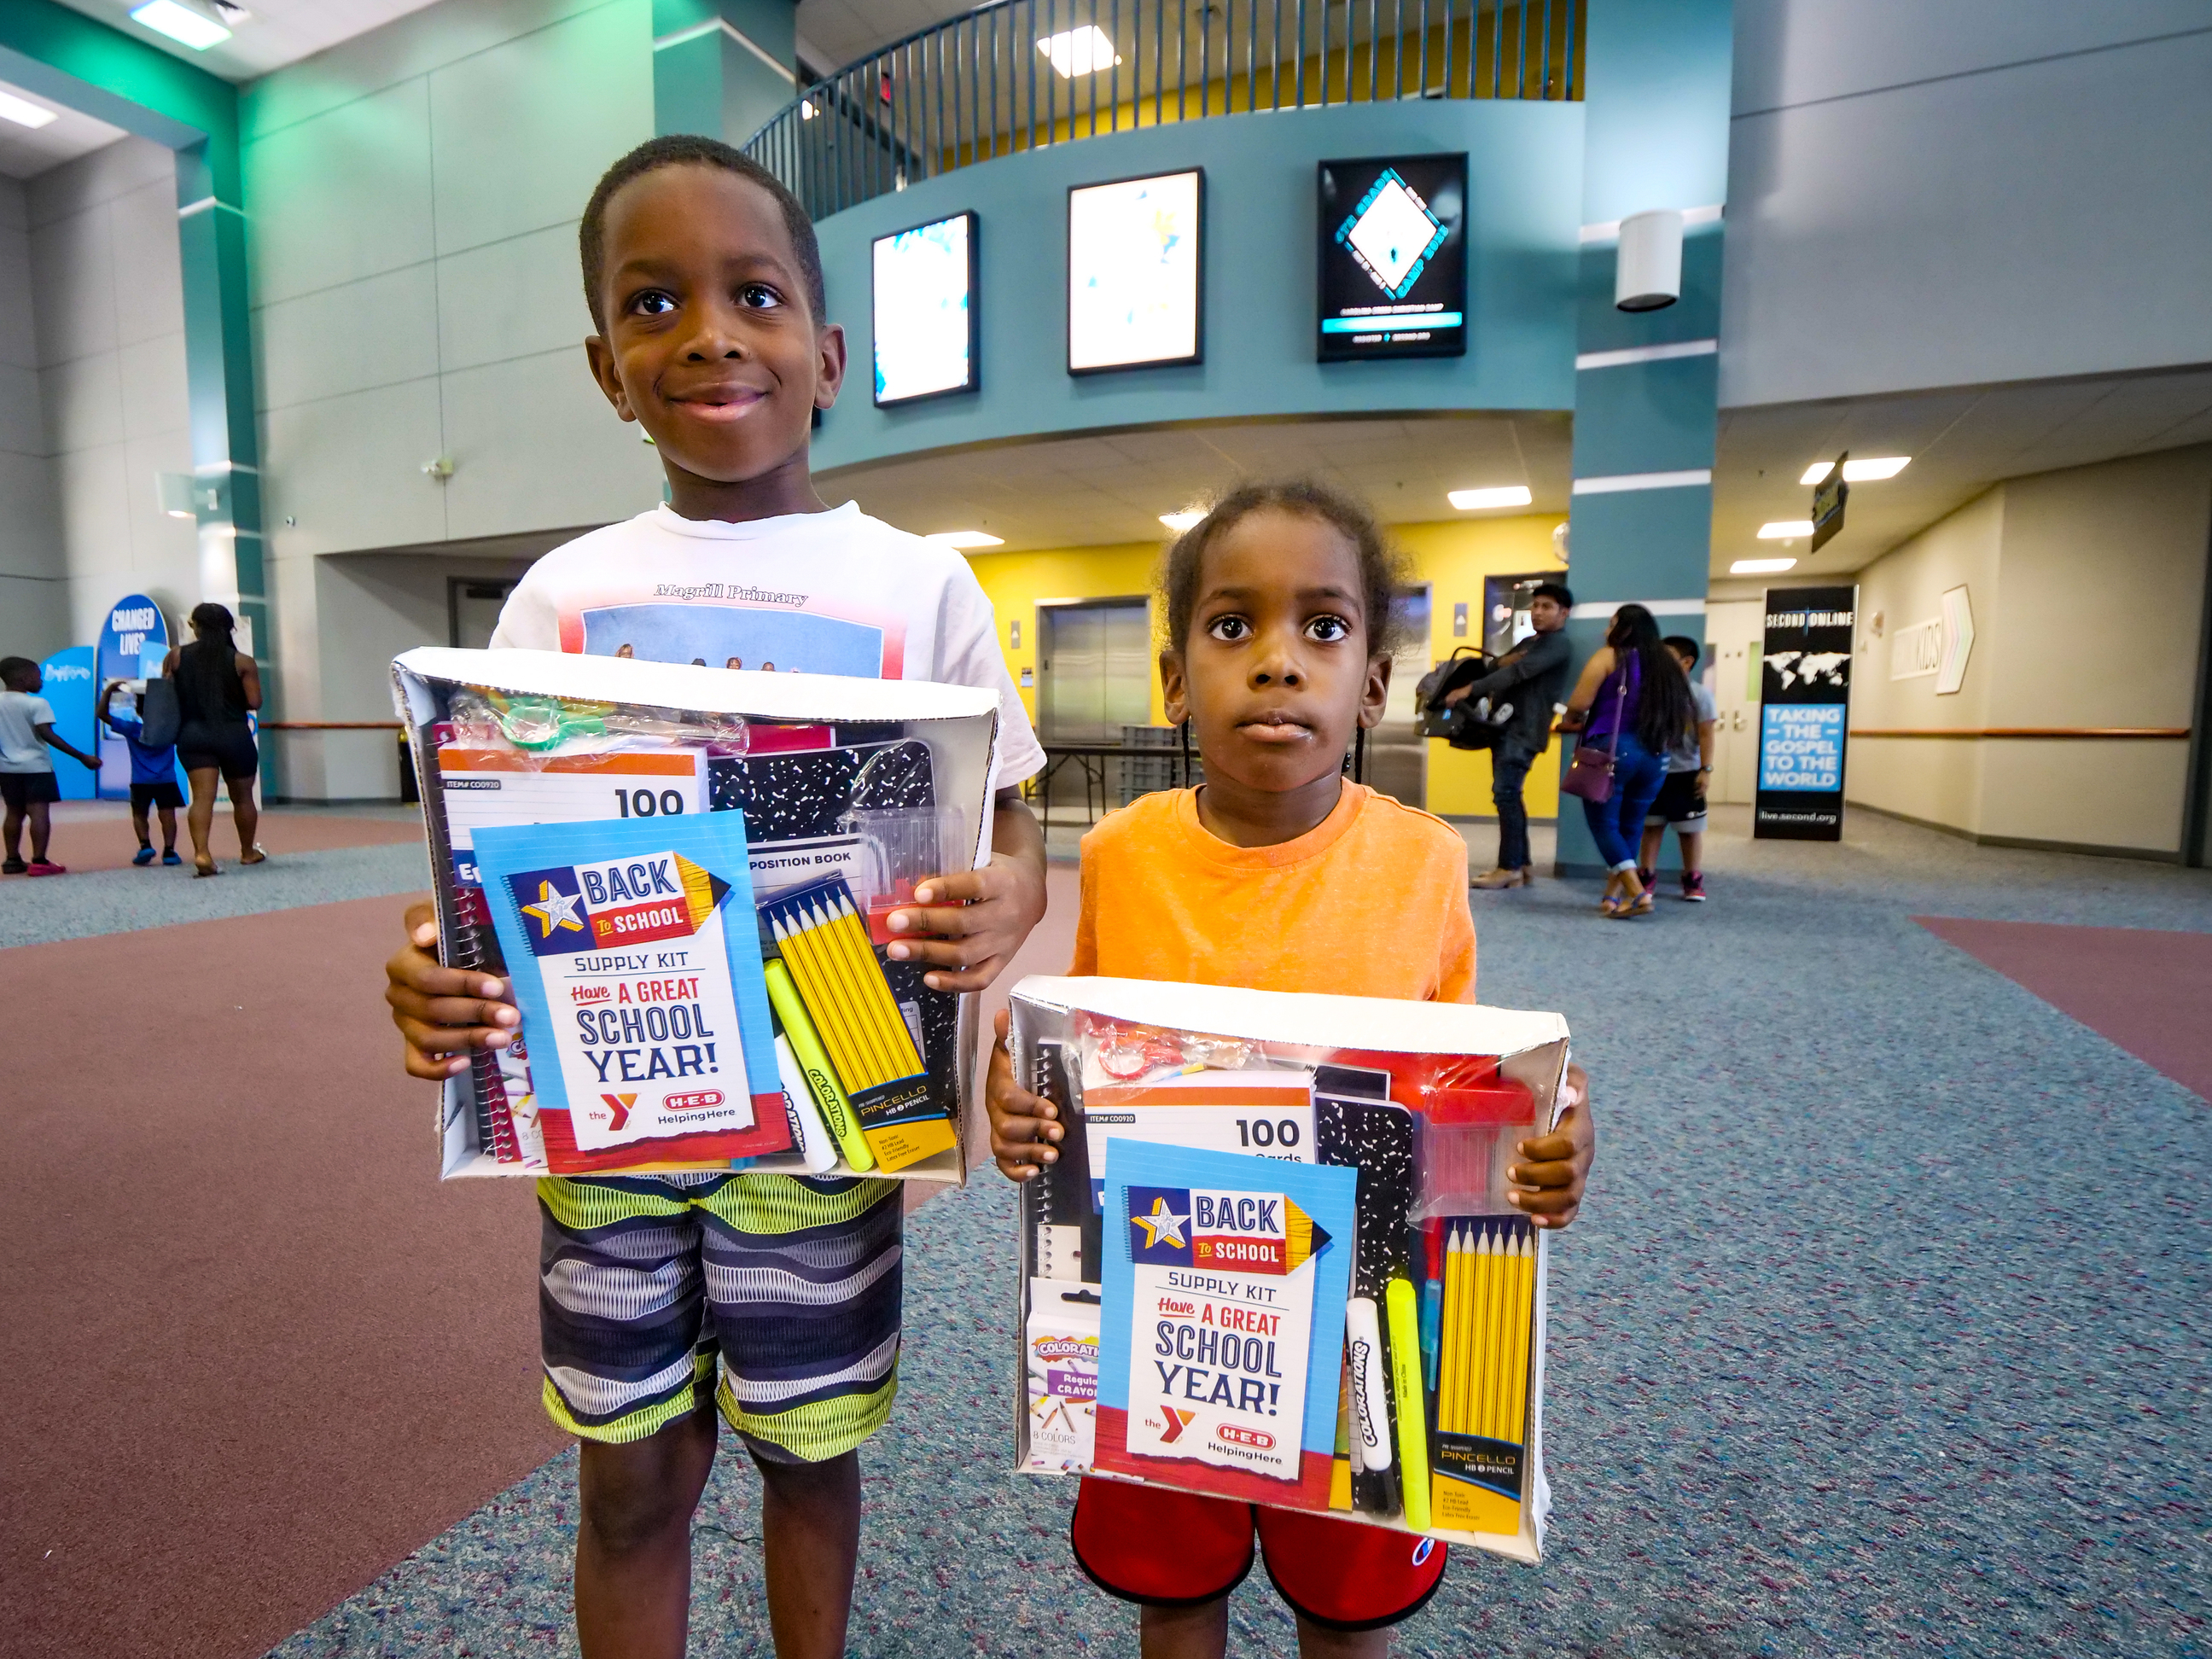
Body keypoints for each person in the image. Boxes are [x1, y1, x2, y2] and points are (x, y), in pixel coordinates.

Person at [381, 136, 1047, 1659]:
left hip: (833, 1108)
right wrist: (427, 967)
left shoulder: (920, 583)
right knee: (630, 1474)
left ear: (826, 356)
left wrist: (1006, 901)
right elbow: (474, 872)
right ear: (608, 368)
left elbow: (1009, 830)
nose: (706, 332)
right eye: (653, 302)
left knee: (811, 1454)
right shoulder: (558, 594)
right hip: (612, 1114)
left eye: (751, 295)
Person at [983, 482, 1595, 1659]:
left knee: (1347, 1600)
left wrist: (1553, 1130)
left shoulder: (1422, 861)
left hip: (1366, 1314)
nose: (1278, 664)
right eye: (1232, 628)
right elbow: (1078, 1047)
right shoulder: (1117, 855)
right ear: (1174, 679)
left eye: (1322, 628)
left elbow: (1466, 1087)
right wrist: (1019, 1104)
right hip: (1169, 1303)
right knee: (1176, 1591)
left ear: (1371, 684)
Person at [1558, 603, 1694, 919]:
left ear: (1625, 628)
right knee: (1631, 826)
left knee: (1605, 824)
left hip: (1613, 750)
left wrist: (1572, 717)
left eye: (1611, 624)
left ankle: (1637, 893)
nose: (1607, 631)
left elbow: (1579, 703)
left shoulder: (1610, 656)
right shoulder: (1667, 664)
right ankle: (1611, 897)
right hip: (1656, 755)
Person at [1455, 580, 1575, 890]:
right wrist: (1501, 663)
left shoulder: (1557, 644)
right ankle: (1520, 864)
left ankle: (1508, 867)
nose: (1537, 612)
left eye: (1546, 607)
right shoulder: (1531, 642)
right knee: (1509, 796)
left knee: (1506, 794)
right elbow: (1499, 663)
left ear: (1564, 613)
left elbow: (1517, 672)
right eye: (1535, 606)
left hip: (1523, 731)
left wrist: (1471, 689)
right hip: (1506, 727)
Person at [161, 602, 265, 878]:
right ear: (229, 627)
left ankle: (202, 854)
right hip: (233, 734)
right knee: (243, 798)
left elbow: (166, 694)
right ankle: (247, 852)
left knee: (202, 799)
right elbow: (255, 701)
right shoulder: (242, 661)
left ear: (195, 626)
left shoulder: (175, 657)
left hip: (193, 734)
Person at [0, 655, 102, 876]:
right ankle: (39, 861)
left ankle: (11, 860)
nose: (41, 681)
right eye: (38, 677)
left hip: (7, 769)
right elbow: (48, 735)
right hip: (36, 767)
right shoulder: (37, 704)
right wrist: (82, 756)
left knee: (13, 812)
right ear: (24, 678)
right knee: (38, 812)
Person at [1636, 636, 1715, 902]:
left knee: (1690, 829)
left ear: (1687, 662)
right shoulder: (1650, 693)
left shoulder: (1700, 695)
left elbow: (1706, 734)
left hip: (1687, 772)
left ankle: (1692, 878)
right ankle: (1645, 875)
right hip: (1655, 770)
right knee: (1651, 826)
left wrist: (1706, 769)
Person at [99, 678, 184, 866]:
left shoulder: (132, 729)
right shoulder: (170, 730)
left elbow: (101, 714)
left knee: (139, 813)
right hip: (166, 779)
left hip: (140, 780)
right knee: (167, 815)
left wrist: (110, 690)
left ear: (138, 710)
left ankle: (145, 845)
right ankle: (169, 851)